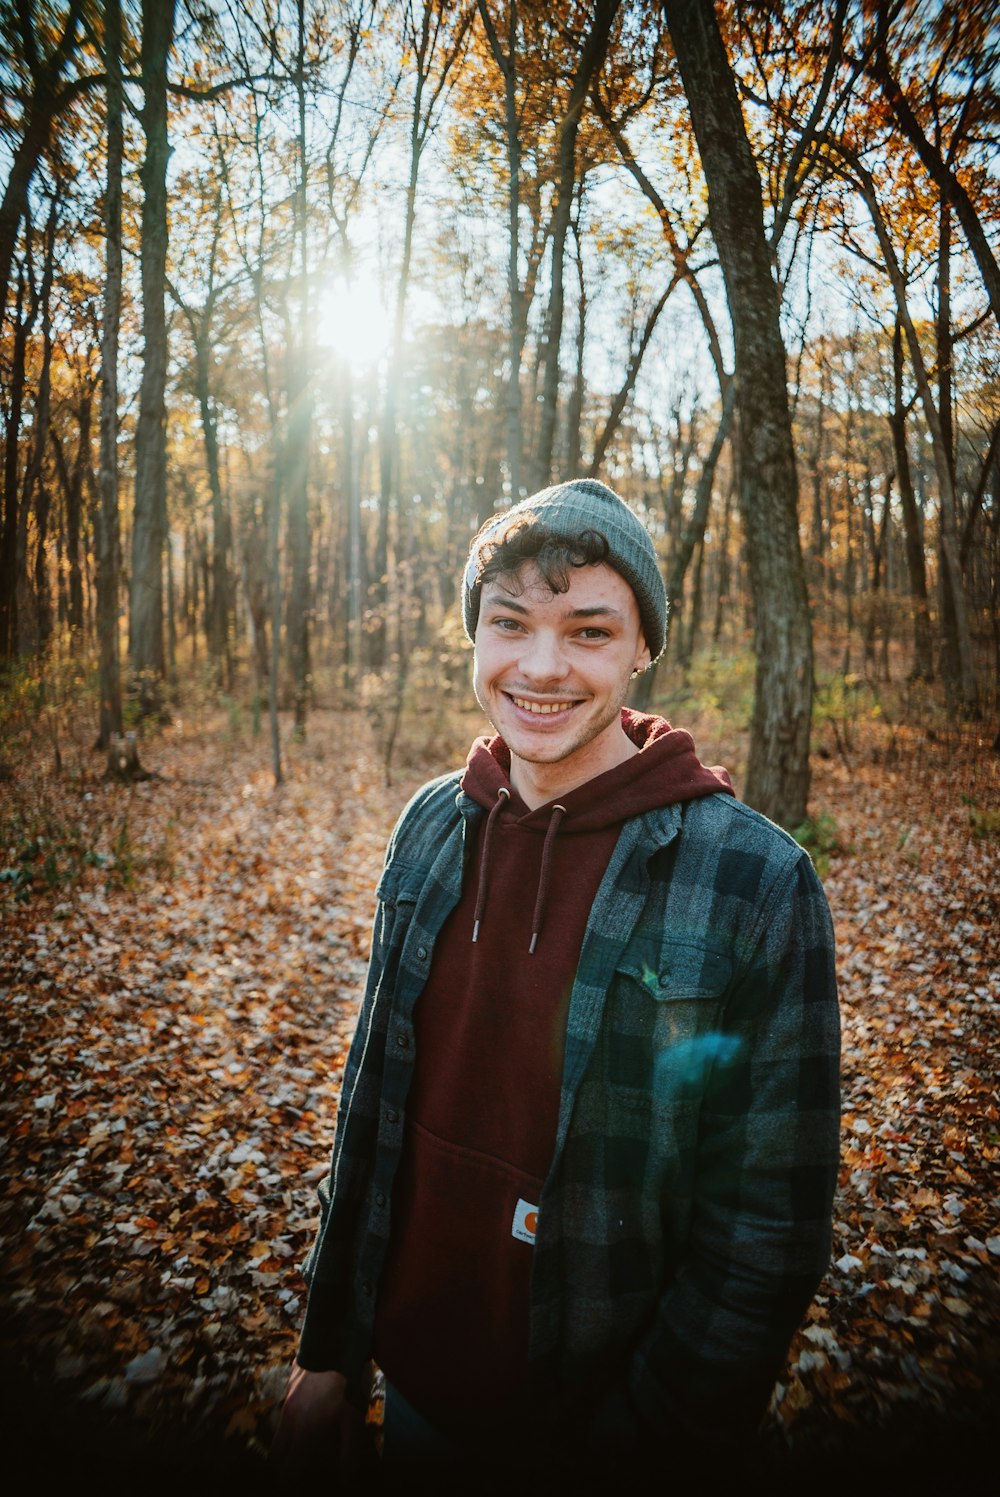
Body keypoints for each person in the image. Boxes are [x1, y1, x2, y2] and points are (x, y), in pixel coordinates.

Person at [271, 479, 840, 1483]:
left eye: (586, 631)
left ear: (640, 648)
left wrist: (652, 1438)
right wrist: (330, 1347)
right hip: (414, 1392)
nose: (541, 667)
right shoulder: (428, 829)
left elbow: (765, 1227)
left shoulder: (751, 880)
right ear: (476, 638)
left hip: (603, 1418)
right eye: (510, 625)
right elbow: (372, 1108)